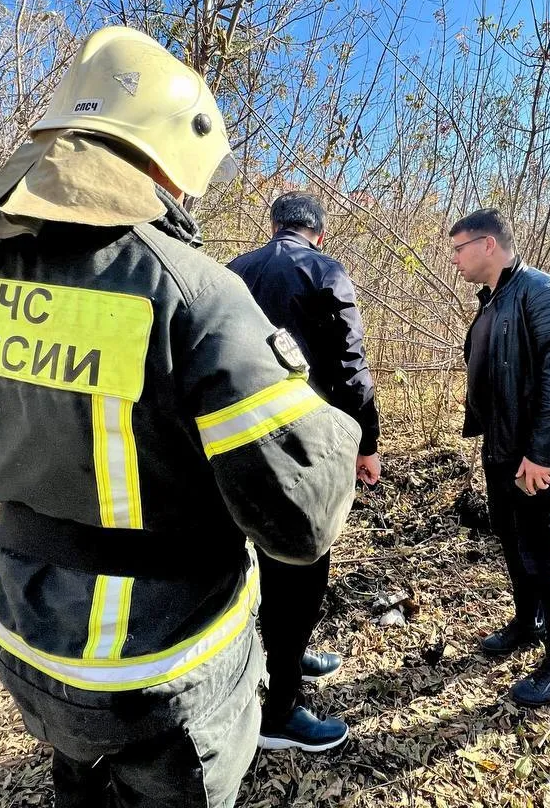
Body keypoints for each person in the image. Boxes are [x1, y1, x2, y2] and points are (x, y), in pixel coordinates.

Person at [0, 26, 360, 807]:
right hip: (162, 666)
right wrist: (332, 424)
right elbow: (300, 521)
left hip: (28, 637)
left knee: (78, 784)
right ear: (167, 161)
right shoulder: (190, 292)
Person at [229, 191, 381, 752]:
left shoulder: (232, 272)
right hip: (305, 447)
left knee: (259, 565)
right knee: (303, 570)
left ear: (274, 227)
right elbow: (349, 366)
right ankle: (280, 712)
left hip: (234, 446)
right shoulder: (324, 270)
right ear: (318, 231)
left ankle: (283, 657)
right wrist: (368, 441)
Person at [449, 208, 550, 708]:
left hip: (535, 454)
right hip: (502, 450)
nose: (455, 260)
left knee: (541, 555)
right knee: (512, 544)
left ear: (488, 244)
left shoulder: (542, 292)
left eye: (459, 248)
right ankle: (526, 623)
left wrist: (541, 452)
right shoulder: (493, 302)